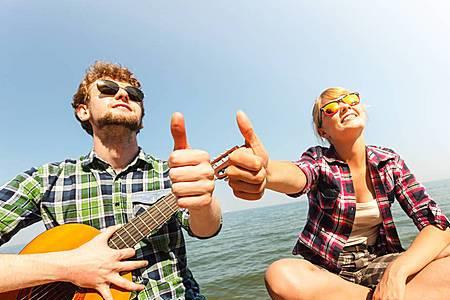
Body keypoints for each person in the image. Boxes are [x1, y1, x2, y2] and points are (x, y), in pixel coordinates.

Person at [0, 61, 222, 300]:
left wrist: (204, 201)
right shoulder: (45, 180)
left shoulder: (172, 172)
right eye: (107, 89)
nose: (123, 94)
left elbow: (205, 229)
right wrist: (67, 266)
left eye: (134, 94)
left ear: (141, 116)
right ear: (83, 110)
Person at [226, 88, 450, 300]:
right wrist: (267, 171)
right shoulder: (319, 160)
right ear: (323, 131)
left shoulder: (390, 162)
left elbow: (436, 224)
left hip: (378, 262)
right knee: (281, 274)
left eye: (351, 99)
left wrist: (397, 272)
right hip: (329, 272)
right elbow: (299, 174)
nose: (345, 106)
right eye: (332, 108)